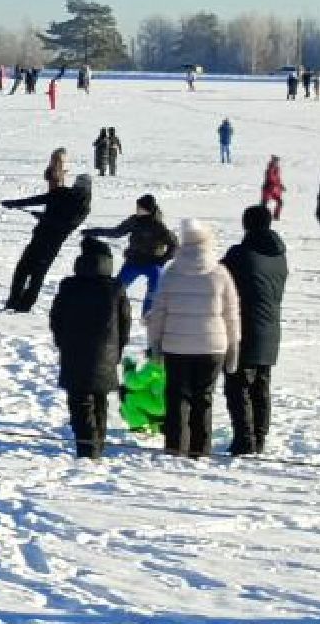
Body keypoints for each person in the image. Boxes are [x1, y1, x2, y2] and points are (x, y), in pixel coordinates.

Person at [145, 219, 240, 458]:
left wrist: (154, 344)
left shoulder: (172, 272)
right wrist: (233, 347)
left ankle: (175, 447)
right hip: (212, 346)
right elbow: (231, 314)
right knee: (204, 398)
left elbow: (158, 313)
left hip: (176, 346)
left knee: (177, 397)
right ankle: (201, 449)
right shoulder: (220, 273)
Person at [48, 236, 130, 458]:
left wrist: (62, 342)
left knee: (80, 400)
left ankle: (87, 449)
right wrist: (117, 351)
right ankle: (98, 444)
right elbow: (125, 324)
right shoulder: (116, 288)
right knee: (100, 398)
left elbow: (56, 319)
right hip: (107, 352)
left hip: (74, 352)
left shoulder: (69, 286)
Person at [222, 205, 287, 457]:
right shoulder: (279, 255)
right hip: (270, 329)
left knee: (238, 387)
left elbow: (219, 275)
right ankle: (259, 437)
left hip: (244, 329)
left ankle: (244, 440)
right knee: (261, 386)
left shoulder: (240, 254)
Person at [2, 174, 95, 313]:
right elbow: (39, 199)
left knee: (37, 275)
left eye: (82, 185)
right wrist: (14, 203)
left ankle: (25, 306)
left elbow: (68, 225)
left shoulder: (83, 207)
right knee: (21, 270)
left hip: (52, 244)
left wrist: (44, 217)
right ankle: (12, 301)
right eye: (78, 183)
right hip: (38, 237)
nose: (78, 186)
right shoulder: (62, 192)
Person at [85, 194, 177, 312]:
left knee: (153, 293)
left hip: (152, 264)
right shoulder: (134, 220)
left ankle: (148, 317)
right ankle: (106, 310)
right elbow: (117, 232)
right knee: (116, 290)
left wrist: (162, 260)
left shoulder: (159, 226)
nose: (137, 210)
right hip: (133, 262)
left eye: (140, 208)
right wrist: (95, 232)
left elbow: (174, 244)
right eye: (137, 207)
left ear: (148, 210)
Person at [261, 155, 285, 220]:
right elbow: (271, 178)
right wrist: (277, 185)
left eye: (277, 161)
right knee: (264, 203)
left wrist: (281, 185)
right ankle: (261, 215)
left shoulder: (277, 169)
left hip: (275, 189)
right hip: (268, 188)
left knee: (280, 202)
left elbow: (278, 178)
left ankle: (276, 216)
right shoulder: (270, 168)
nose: (277, 162)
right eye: (275, 160)